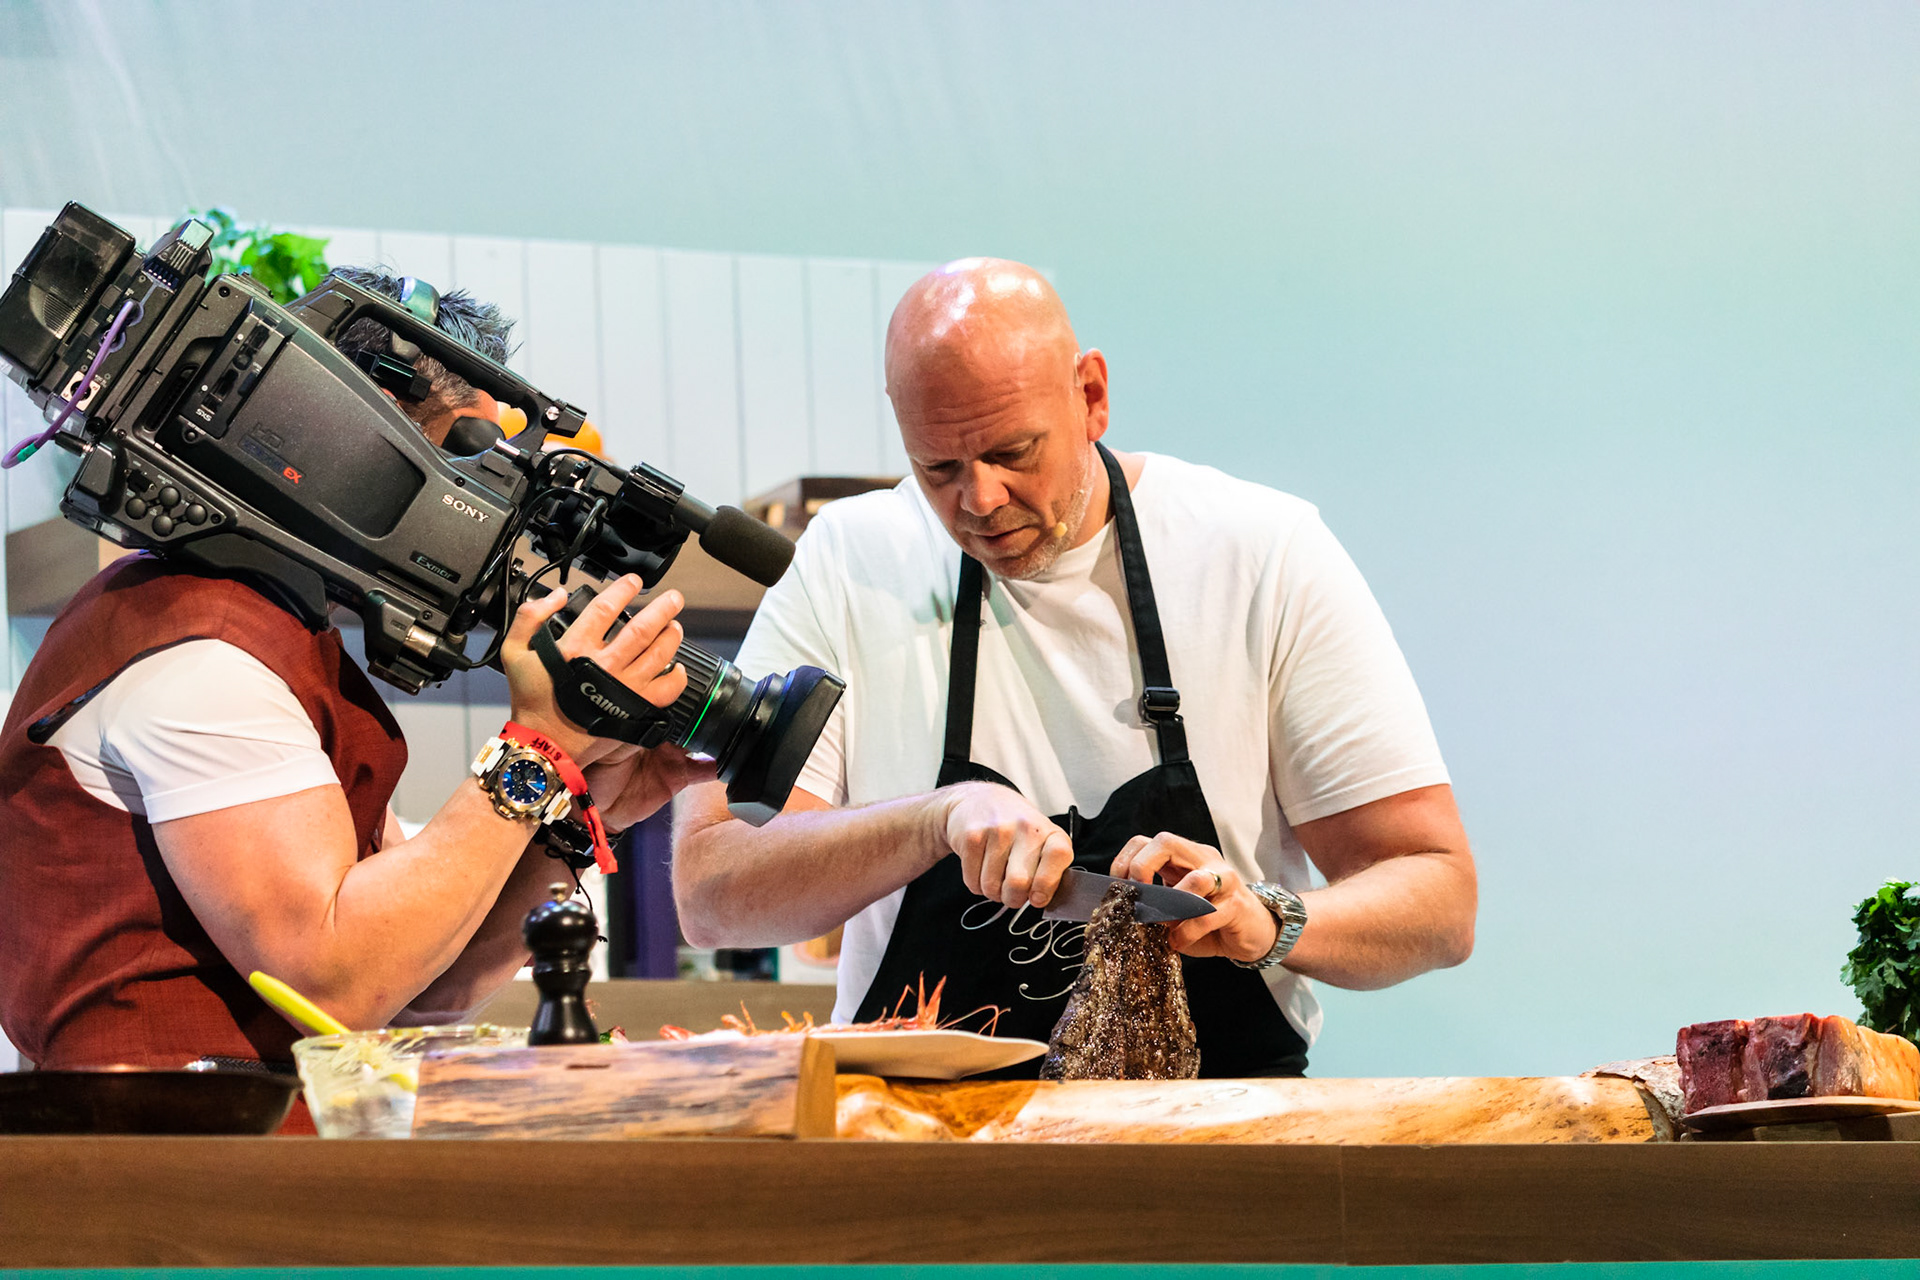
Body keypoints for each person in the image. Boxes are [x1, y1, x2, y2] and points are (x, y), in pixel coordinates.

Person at [674, 259, 1476, 1074]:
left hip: (1217, 1138)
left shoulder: (1259, 554)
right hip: (919, 1142)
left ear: (1090, 395)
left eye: (1013, 451)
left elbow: (1437, 898)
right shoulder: (851, 563)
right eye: (938, 469)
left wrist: (1267, 920)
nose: (980, 500)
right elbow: (712, 891)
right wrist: (931, 821)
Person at [0, 267, 708, 1084]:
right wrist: (539, 752)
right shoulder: (206, 653)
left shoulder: (266, 632)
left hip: (248, 1166)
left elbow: (419, 985)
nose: (486, 504)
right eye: (466, 457)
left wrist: (571, 819)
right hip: (174, 1181)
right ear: (340, 429)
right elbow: (335, 985)